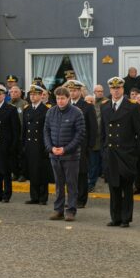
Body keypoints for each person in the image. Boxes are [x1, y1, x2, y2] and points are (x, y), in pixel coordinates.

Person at [102, 77, 140, 228]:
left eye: (118, 88)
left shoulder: (132, 107)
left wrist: (136, 155)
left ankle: (126, 218)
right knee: (114, 188)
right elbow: (103, 132)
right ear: (110, 90)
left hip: (126, 154)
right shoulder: (105, 106)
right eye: (113, 88)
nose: (116, 91)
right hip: (111, 153)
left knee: (127, 188)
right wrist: (104, 152)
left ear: (123, 89)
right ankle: (115, 218)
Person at [44, 87, 85, 221]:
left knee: (72, 184)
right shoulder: (50, 112)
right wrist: (51, 148)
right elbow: (46, 132)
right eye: (58, 98)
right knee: (58, 184)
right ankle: (58, 210)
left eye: (62, 98)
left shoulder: (77, 113)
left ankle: (71, 211)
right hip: (54, 155)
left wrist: (65, 149)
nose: (60, 101)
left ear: (68, 99)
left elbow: (80, 135)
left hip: (71, 156)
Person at [65, 80, 97, 208]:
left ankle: (81, 199)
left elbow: (93, 127)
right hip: (67, 145)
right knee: (69, 174)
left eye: (74, 91)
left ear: (80, 91)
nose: (72, 93)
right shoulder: (65, 106)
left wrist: (90, 146)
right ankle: (71, 198)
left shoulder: (87, 106)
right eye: (70, 91)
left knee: (81, 173)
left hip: (82, 146)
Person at [22, 85, 51, 205]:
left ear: (40, 96)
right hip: (30, 145)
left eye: (35, 94)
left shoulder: (46, 110)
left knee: (42, 172)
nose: (32, 96)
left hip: (41, 145)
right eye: (31, 94)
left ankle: (43, 197)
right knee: (32, 171)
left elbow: (48, 130)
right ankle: (34, 196)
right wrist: (23, 144)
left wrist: (47, 146)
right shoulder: (27, 109)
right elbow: (24, 129)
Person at [9, 86, 28, 182]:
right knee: (12, 156)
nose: (13, 93)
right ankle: (15, 173)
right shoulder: (8, 104)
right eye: (11, 92)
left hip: (21, 135)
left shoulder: (24, 104)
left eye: (16, 92)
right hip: (11, 136)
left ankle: (23, 174)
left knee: (22, 156)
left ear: (20, 93)